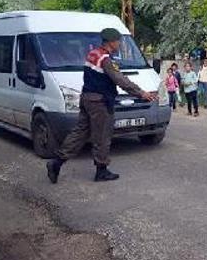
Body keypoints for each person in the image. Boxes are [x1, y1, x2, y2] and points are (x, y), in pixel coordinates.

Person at [46, 28, 157, 184]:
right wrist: (141, 93)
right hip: (99, 102)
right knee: (102, 136)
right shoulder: (105, 59)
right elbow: (119, 79)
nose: (119, 43)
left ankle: (57, 162)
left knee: (79, 133)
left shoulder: (93, 54)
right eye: (118, 41)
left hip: (87, 98)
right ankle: (101, 170)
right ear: (111, 42)